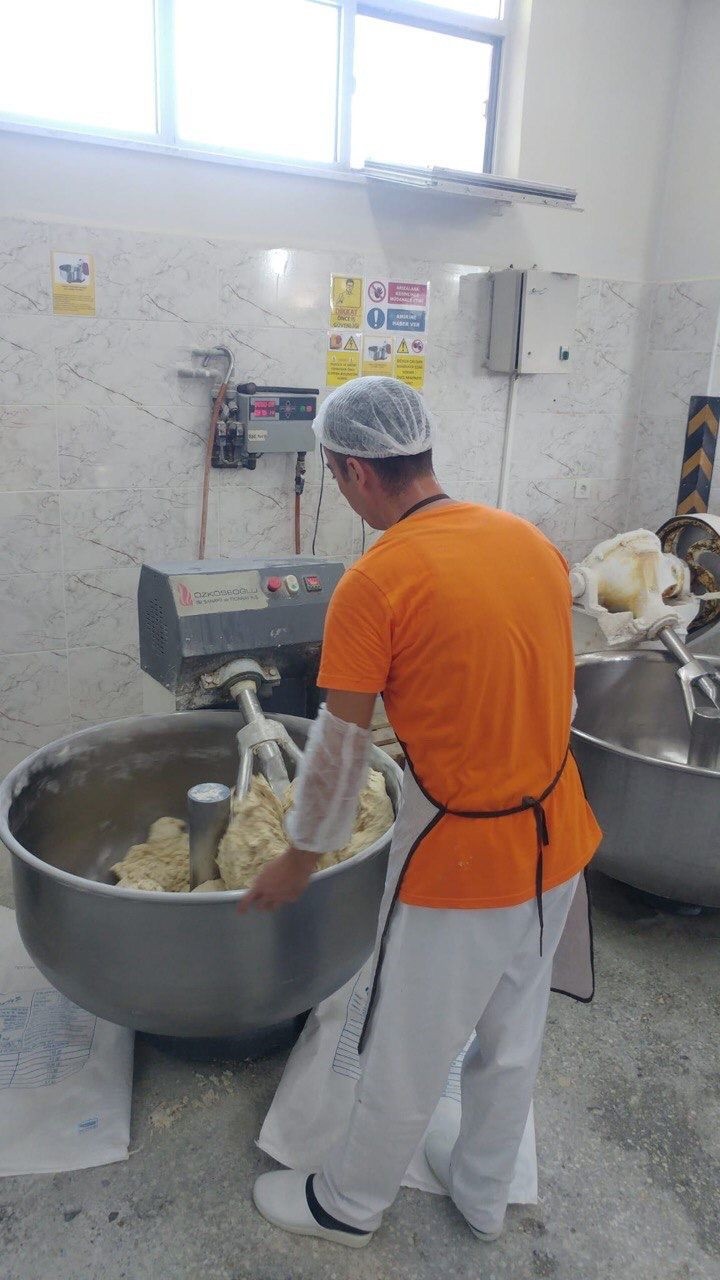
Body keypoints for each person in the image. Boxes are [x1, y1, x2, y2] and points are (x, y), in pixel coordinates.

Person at [243, 376, 602, 1249]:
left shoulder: (377, 582)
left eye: (335, 476)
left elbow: (339, 748)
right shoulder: (530, 541)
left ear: (357, 471)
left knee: (404, 1043)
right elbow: (548, 689)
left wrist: (299, 857)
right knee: (512, 1033)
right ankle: (482, 1192)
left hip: (461, 862)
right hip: (558, 839)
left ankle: (348, 1205)